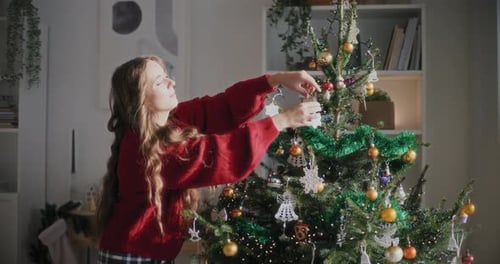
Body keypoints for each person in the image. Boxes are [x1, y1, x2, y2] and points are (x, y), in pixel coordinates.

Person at [96, 55, 321, 263]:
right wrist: (282, 121)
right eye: (159, 82)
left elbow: (219, 107)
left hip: (143, 253)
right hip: (131, 256)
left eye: (167, 77)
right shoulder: (144, 147)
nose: (171, 83)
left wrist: (276, 79)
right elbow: (216, 154)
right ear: (140, 100)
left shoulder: (171, 121)